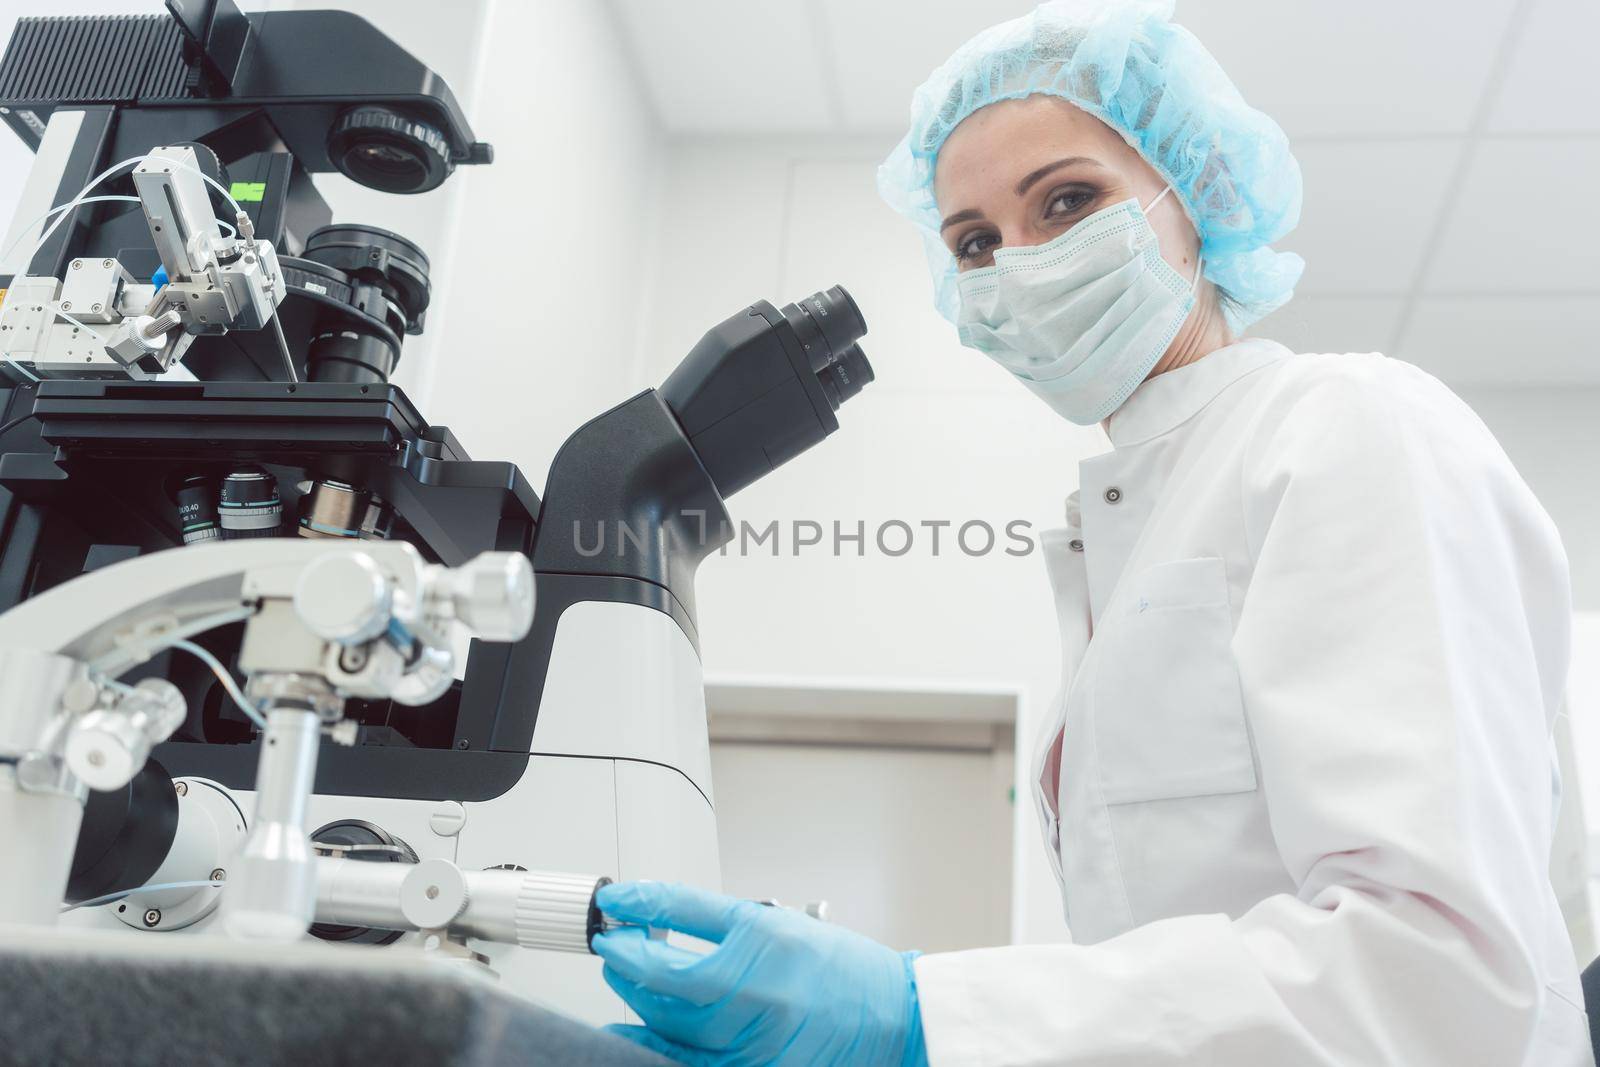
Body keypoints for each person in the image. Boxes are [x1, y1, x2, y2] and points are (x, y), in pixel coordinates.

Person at [589, 1, 1592, 1063]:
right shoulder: (1130, 530)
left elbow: (1436, 973)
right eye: (973, 242)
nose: (1016, 265)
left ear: (1194, 195)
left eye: (1066, 201)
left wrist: (927, 1013)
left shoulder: (1345, 427)